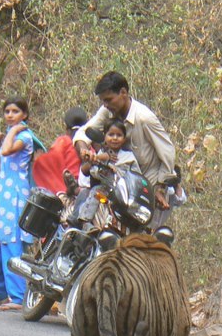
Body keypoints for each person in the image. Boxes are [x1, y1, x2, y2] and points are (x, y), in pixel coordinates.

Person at [74, 70, 176, 228]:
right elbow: (83, 133)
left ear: (123, 93)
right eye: (103, 102)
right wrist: (84, 151)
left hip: (146, 190)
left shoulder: (144, 118)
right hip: (119, 189)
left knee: (140, 242)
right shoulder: (107, 111)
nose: (106, 105)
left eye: (108, 100)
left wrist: (160, 188)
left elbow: (167, 152)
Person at [0, 96, 36, 310]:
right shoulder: (13, 137)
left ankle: (18, 297)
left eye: (15, 112)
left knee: (12, 243)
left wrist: (12, 131)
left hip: (15, 195)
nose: (10, 115)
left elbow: (7, 151)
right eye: (7, 111)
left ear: (25, 115)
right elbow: (4, 159)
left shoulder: (26, 137)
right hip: (3, 193)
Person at [31, 105, 88, 196]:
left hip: (67, 189)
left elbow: (53, 156)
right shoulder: (89, 143)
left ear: (67, 129)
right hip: (86, 188)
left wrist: (39, 160)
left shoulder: (64, 141)